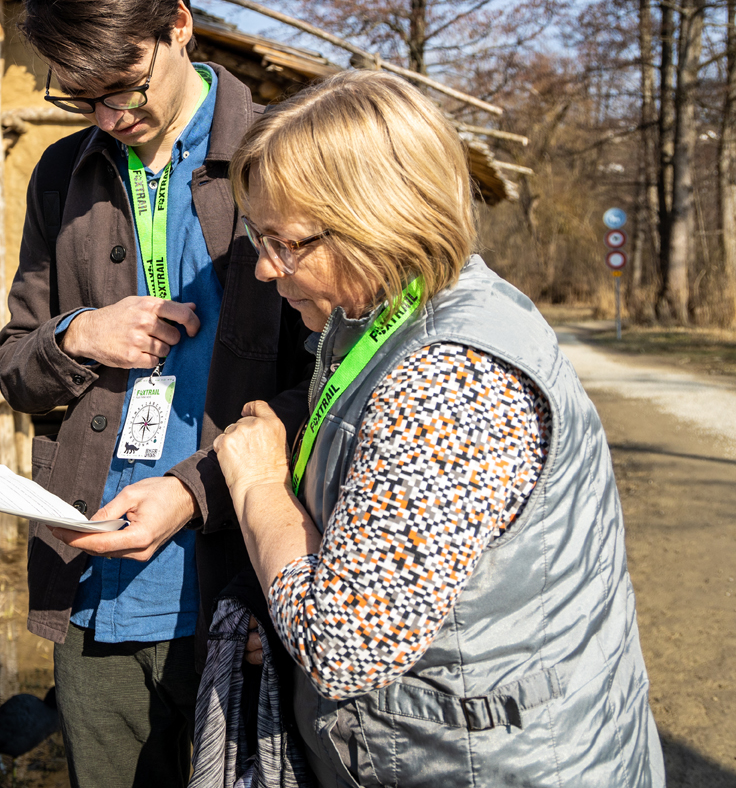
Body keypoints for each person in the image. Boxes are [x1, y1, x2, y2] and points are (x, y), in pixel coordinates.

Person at [211, 70, 665, 787]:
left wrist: (261, 486)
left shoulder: (448, 383)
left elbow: (344, 645)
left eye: (285, 241)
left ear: (380, 218)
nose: (265, 269)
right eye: (255, 236)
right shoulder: (399, 312)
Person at [0, 0, 312, 788]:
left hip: (239, 586)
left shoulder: (283, 155)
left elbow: (329, 389)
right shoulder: (62, 175)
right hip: (92, 594)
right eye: (80, 96)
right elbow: (14, 366)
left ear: (179, 22)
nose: (108, 116)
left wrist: (194, 489)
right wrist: (76, 336)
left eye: (125, 89)